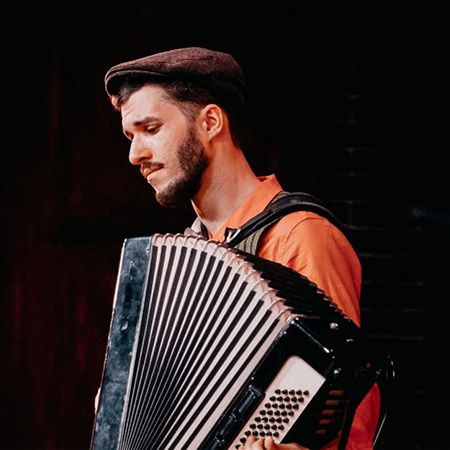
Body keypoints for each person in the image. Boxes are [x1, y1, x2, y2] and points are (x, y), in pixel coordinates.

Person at [102, 46, 381, 450]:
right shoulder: (181, 261)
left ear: (211, 122)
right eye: (131, 136)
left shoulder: (300, 236)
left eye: (152, 129)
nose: (134, 155)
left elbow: (352, 417)